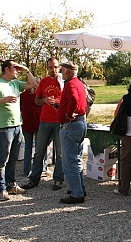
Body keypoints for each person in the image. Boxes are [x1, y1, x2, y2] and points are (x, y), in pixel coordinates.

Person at [0, 59, 38, 201]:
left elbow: (33, 84)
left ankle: (11, 185)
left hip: (17, 126)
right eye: (15, 68)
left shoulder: (15, 83)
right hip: (4, 128)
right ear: (6, 69)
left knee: (13, 159)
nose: (17, 70)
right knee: (3, 160)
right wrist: (3, 100)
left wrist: (26, 70)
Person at [22, 57, 66, 191]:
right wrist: (45, 100)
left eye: (56, 67)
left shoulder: (64, 81)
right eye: (51, 67)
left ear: (59, 67)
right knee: (39, 151)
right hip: (45, 120)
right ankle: (34, 179)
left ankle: (58, 179)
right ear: (47, 68)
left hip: (60, 121)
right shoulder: (44, 82)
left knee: (60, 153)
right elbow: (36, 100)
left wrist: (59, 103)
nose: (54, 70)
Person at [57, 61, 88, 205]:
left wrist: (69, 114)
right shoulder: (79, 83)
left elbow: (74, 99)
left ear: (68, 72)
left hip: (71, 125)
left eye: (62, 70)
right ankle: (79, 188)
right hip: (80, 123)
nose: (61, 73)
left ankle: (77, 193)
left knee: (70, 161)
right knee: (77, 159)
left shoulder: (70, 84)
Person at [19, 83, 41, 177]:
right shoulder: (39, 96)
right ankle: (40, 168)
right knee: (39, 148)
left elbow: (20, 108)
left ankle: (26, 170)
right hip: (38, 123)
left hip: (26, 123)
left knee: (28, 147)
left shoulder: (22, 95)